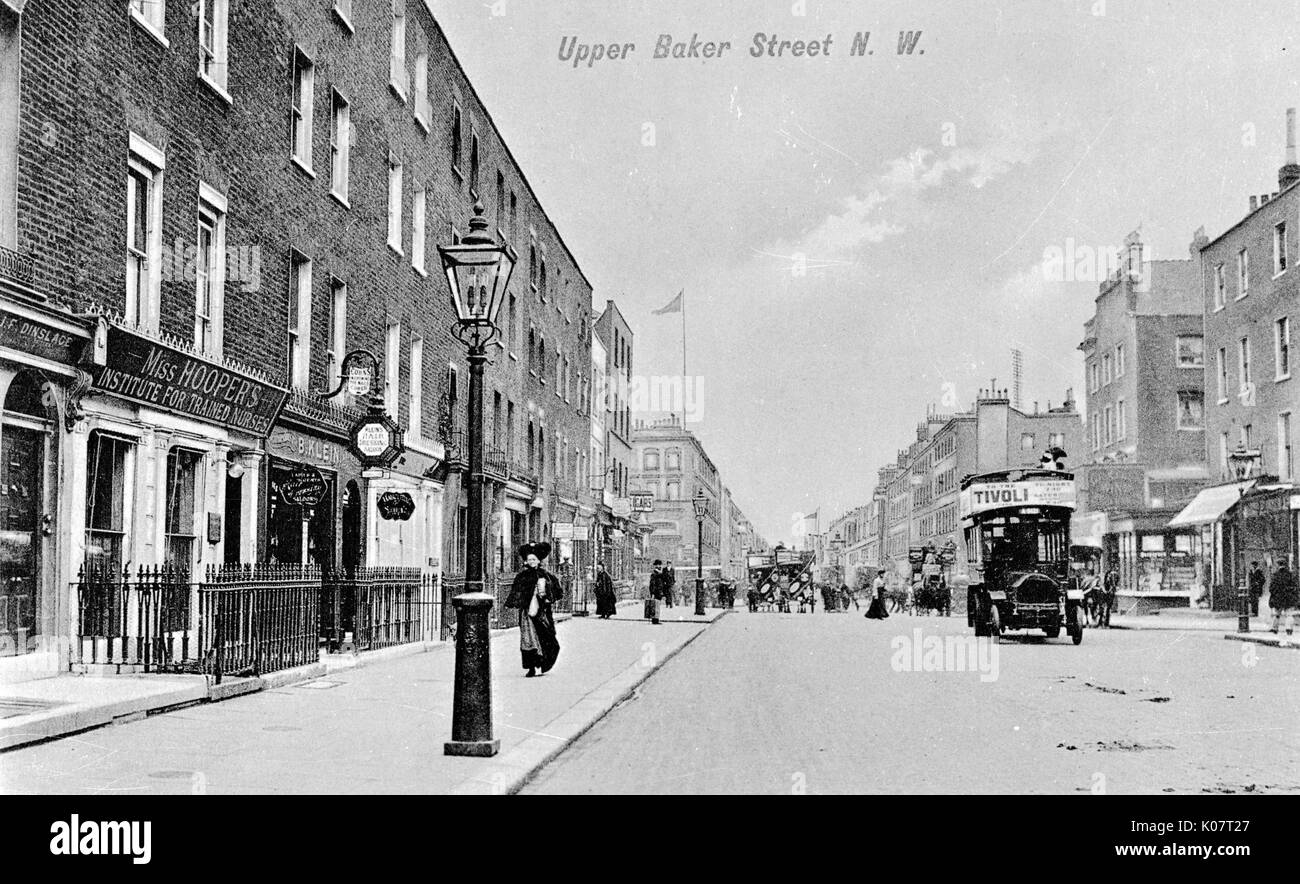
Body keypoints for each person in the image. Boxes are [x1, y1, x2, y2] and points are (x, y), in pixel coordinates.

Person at [504, 542, 562, 677]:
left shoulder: (546, 575)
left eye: (533, 559)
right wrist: (517, 602)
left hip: (542, 613)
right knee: (528, 640)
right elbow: (516, 592)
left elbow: (557, 591)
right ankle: (531, 667)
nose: (531, 562)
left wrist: (547, 594)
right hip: (527, 614)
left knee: (546, 637)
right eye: (529, 559)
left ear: (538, 560)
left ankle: (542, 663)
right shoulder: (522, 576)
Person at [1268, 561, 1299, 637]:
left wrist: (1274, 595)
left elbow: (1271, 588)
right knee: (1289, 615)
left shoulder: (1275, 575)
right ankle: (1289, 629)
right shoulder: (1290, 575)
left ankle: (1274, 628)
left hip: (1278, 598)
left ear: (1278, 565)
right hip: (1288, 598)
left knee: (1277, 614)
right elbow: (1295, 587)